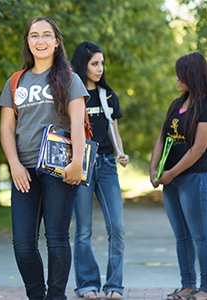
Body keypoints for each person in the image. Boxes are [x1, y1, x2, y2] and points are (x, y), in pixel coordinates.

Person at [0, 17, 89, 300]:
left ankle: (56, 296)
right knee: (23, 244)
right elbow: (6, 127)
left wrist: (77, 162)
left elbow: (77, 122)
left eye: (47, 35)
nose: (40, 40)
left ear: (57, 41)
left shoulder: (69, 78)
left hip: (59, 168)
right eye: (34, 35)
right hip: (23, 168)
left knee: (57, 239)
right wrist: (13, 165)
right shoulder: (15, 80)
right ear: (28, 41)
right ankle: (37, 295)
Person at [149, 52, 207, 300]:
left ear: (192, 75)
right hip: (170, 180)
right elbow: (163, 137)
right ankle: (187, 285)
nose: (176, 78)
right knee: (180, 235)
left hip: (193, 179)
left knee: (200, 234)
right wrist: (155, 169)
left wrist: (170, 173)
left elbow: (198, 150)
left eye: (180, 74)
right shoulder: (177, 104)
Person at [69, 41, 128, 300]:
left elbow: (114, 130)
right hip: (81, 165)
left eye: (102, 63)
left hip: (105, 164)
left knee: (117, 227)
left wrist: (120, 153)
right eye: (95, 63)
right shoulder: (71, 94)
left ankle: (114, 285)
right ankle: (87, 285)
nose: (100, 68)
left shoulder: (108, 96)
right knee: (83, 230)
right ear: (83, 64)